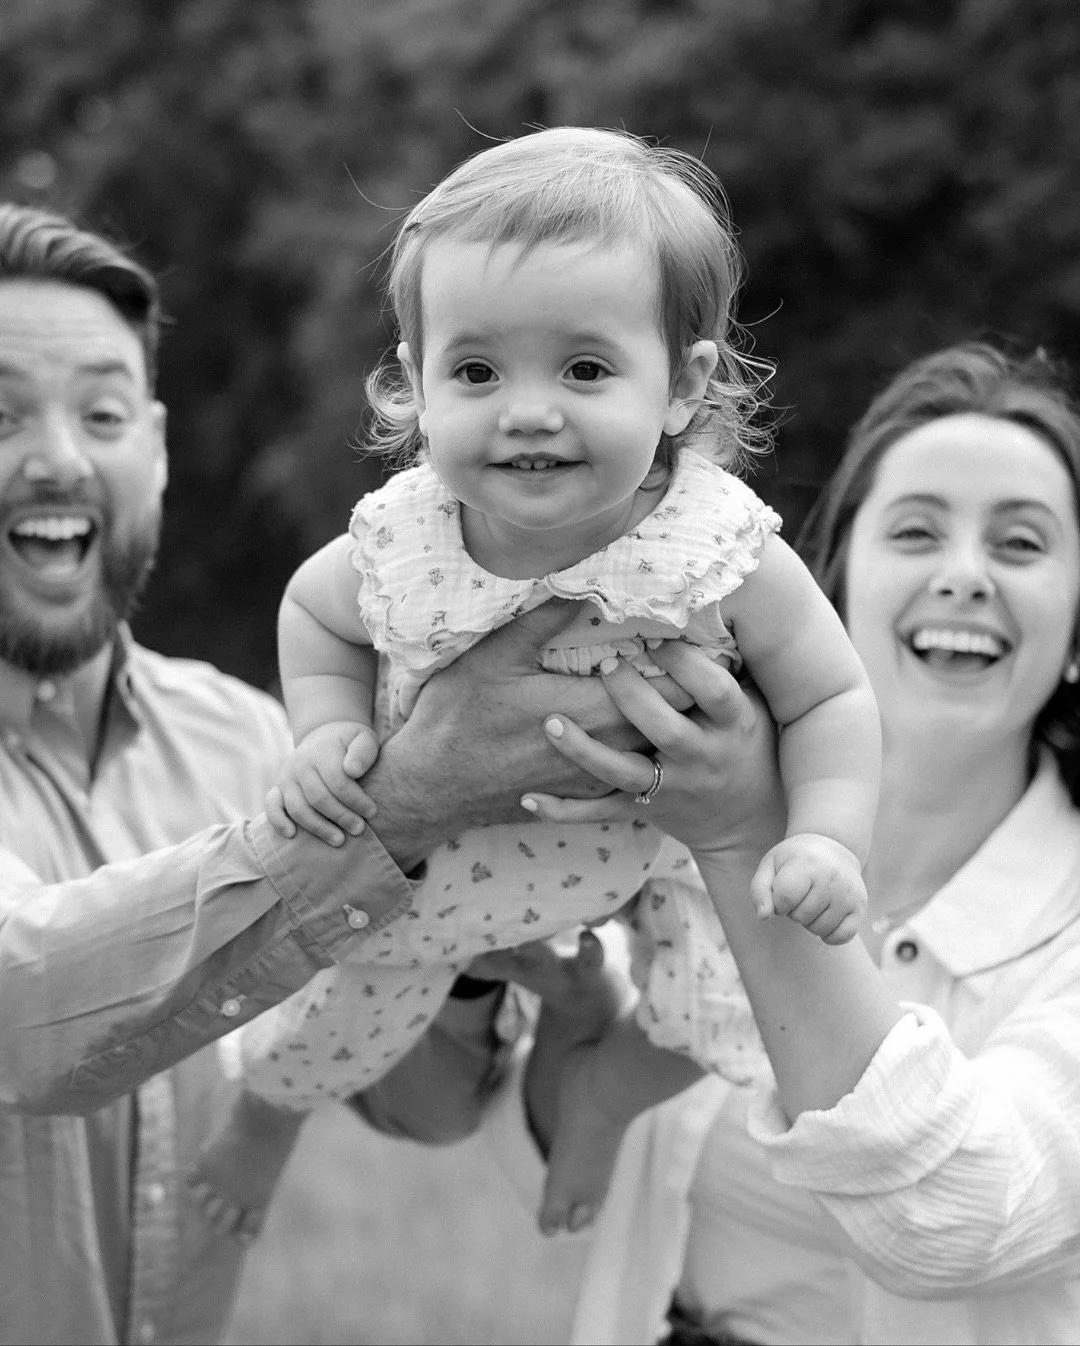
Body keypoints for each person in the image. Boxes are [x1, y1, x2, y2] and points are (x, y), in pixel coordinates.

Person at [189, 126, 881, 1239]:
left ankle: (598, 1090)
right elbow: (315, 615)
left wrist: (828, 837)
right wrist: (322, 731)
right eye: (476, 370)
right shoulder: (407, 535)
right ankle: (269, 1117)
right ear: (417, 385)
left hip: (650, 850)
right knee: (340, 1006)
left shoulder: (718, 546)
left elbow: (832, 697)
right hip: (438, 863)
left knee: (731, 996)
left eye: (585, 368)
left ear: (681, 384)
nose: (527, 409)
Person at [0, 201, 660, 1346]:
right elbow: (27, 1020)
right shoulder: (339, 753)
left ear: (154, 446)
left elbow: (420, 1106)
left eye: (101, 411)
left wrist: (462, 949)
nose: (58, 456)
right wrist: (406, 806)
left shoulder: (251, 737)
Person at [491, 340, 1080, 1345]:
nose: (965, 575)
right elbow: (571, 1161)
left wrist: (747, 829)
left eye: (1021, 544)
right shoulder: (672, 801)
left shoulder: (722, 804)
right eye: (916, 530)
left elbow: (953, 1220)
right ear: (837, 583)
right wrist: (584, 1027)